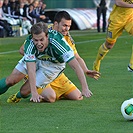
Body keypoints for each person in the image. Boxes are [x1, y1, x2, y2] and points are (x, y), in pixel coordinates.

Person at [7, 11, 100, 103]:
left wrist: (86, 70)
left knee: (77, 96)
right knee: (51, 98)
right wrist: (38, 60)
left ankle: (48, 92)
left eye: (69, 26)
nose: (66, 29)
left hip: (56, 72)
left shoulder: (66, 39)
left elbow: (77, 58)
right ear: (56, 23)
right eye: (64, 25)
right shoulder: (42, 32)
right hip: (42, 70)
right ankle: (29, 89)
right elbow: (22, 50)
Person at [93, 0, 133, 72]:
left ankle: (132, 65)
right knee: (109, 45)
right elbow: (118, 2)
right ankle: (97, 62)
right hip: (116, 20)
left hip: (130, 18)